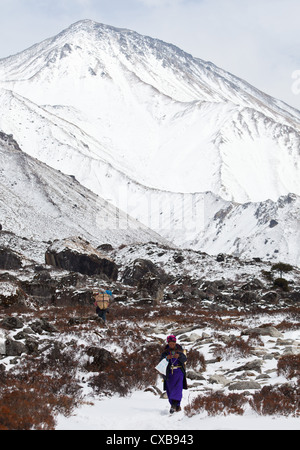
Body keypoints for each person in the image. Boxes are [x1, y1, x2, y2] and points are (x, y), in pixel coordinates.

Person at [160, 335, 187, 414]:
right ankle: (176, 405)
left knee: (178, 388)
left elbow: (185, 359)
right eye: (170, 343)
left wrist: (179, 356)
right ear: (168, 343)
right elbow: (161, 362)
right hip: (169, 374)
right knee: (170, 390)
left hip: (178, 372)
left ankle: (174, 406)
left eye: (173, 343)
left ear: (175, 343)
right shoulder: (165, 352)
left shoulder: (180, 351)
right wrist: (166, 359)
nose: (172, 345)